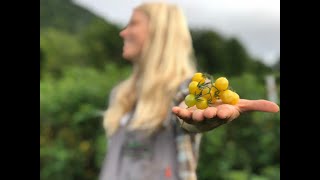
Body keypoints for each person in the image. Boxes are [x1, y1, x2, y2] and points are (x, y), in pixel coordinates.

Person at [98, 2, 279, 180]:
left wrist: (198, 116)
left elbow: (187, 110)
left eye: (133, 23)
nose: (123, 32)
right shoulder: (122, 94)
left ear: (160, 32)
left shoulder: (183, 86)